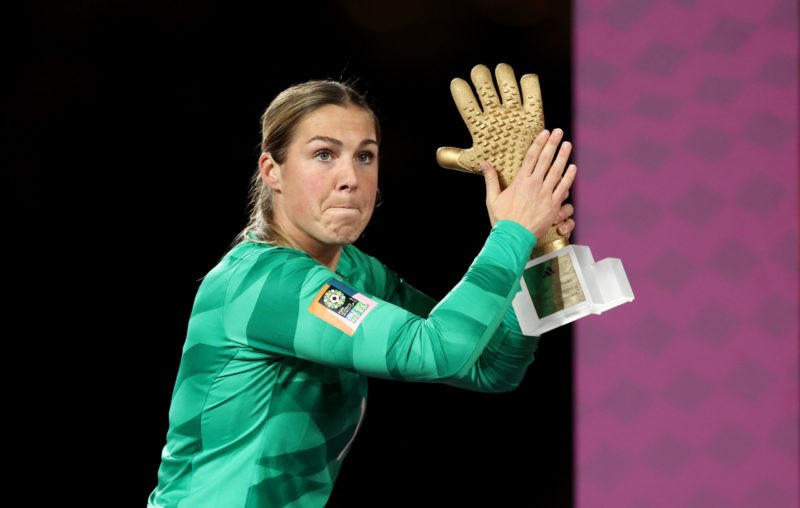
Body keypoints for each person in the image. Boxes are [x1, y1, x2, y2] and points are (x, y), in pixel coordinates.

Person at [147, 77, 577, 507]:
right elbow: (434, 350)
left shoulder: (352, 271)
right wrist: (512, 232)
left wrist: (536, 253)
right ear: (271, 171)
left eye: (365, 156)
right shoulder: (263, 282)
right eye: (323, 154)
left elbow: (490, 365)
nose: (350, 177)